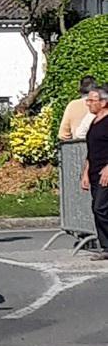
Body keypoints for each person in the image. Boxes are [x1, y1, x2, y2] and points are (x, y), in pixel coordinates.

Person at [81, 85, 108, 261]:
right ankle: (106, 246)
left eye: (92, 100)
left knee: (101, 208)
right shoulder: (94, 121)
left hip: (105, 172)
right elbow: (91, 150)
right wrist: (85, 172)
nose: (88, 103)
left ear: (103, 102)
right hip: (94, 171)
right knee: (97, 208)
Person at [59, 76, 98, 141]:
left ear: (80, 91)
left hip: (78, 145)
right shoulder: (102, 105)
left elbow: (62, 135)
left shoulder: (72, 105)